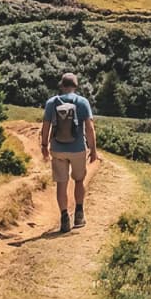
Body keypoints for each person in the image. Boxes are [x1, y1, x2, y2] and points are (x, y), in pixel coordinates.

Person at [40, 72, 99, 233]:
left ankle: (64, 217)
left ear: (62, 85)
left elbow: (46, 126)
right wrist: (93, 150)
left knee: (61, 183)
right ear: (75, 86)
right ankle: (79, 214)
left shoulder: (52, 102)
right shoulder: (82, 102)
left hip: (57, 150)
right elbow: (90, 128)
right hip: (78, 148)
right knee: (79, 180)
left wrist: (44, 146)